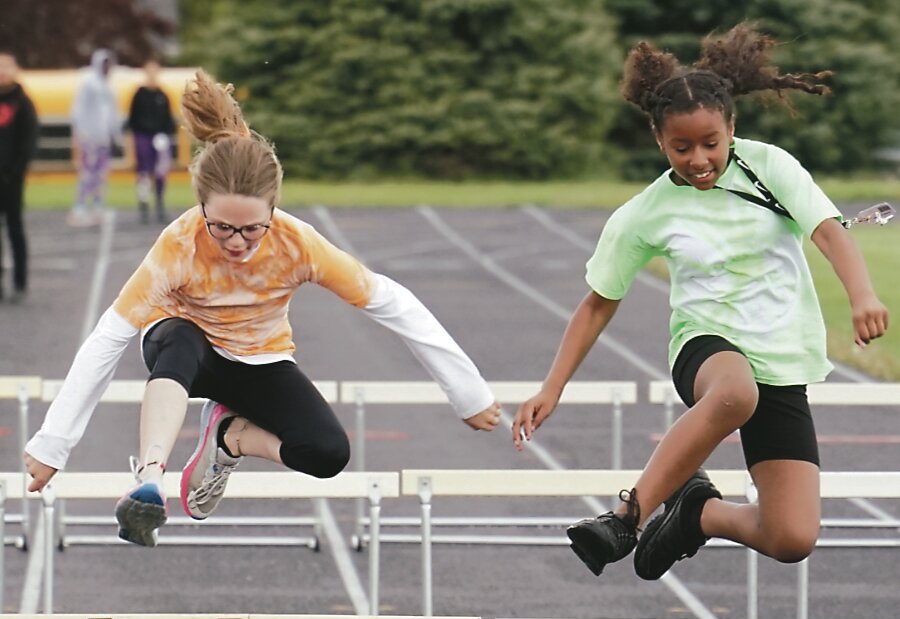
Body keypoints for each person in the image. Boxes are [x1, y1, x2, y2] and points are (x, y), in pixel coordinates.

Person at [24, 69, 501, 547]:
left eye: (252, 229)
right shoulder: (179, 244)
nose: (236, 242)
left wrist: (468, 393)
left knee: (326, 453)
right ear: (202, 209)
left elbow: (391, 302)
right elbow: (109, 337)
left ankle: (230, 437)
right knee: (180, 337)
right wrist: (54, 444)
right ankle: (150, 479)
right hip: (186, 352)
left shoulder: (298, 244)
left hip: (258, 357)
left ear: (273, 209)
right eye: (221, 228)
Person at [512, 24, 889, 581]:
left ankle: (698, 514)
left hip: (780, 359)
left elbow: (831, 232)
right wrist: (552, 386)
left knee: (791, 537)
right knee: (736, 392)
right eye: (681, 147)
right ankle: (626, 517)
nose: (699, 159)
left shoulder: (771, 167)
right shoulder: (646, 212)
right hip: (707, 348)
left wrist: (862, 295)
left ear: (731, 128)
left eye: (711, 143)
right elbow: (597, 304)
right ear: (659, 141)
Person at [0, 49, 38, 303]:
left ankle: (20, 281)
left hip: (12, 180)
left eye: (6, 66)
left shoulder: (23, 103)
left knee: (15, 229)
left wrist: (15, 172)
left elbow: (28, 142)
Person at [68, 49, 122, 227]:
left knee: (101, 175)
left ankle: (98, 206)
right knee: (88, 173)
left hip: (104, 139)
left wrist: (116, 135)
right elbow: (78, 111)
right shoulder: (89, 84)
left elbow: (113, 114)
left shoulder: (109, 87)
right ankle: (80, 207)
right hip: (89, 138)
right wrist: (80, 133)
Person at [126, 60, 176, 224]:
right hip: (143, 136)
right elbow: (132, 120)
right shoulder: (139, 95)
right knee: (144, 172)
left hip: (160, 138)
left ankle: (160, 202)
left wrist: (165, 134)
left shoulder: (163, 95)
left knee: (161, 172)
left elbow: (169, 120)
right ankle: (144, 203)